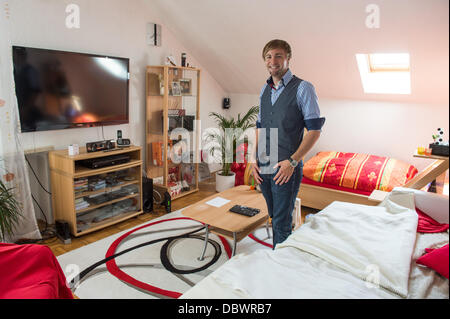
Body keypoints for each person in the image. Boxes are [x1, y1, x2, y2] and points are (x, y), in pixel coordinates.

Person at [251, 39, 325, 248]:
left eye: (278, 56)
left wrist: (292, 162)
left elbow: (314, 130)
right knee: (274, 215)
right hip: (263, 164)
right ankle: (283, 252)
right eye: (268, 56)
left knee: (282, 222)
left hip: (286, 167)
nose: (272, 61)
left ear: (288, 59)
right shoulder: (264, 90)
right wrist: (252, 159)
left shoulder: (303, 88)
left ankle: (281, 268)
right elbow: (260, 126)